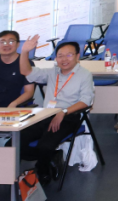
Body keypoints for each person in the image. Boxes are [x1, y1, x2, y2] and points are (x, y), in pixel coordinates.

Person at [20, 41, 95, 184]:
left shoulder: (84, 75)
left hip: (70, 116)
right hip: (45, 114)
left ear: (77, 56)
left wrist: (64, 112)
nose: (64, 59)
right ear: (55, 58)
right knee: (16, 142)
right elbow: (26, 71)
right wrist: (24, 52)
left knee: (45, 145)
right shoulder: (52, 72)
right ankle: (52, 156)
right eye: (60, 55)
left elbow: (86, 101)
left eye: (69, 55)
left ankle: (43, 170)